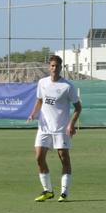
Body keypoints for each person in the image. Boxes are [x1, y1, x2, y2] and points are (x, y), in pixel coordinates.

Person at [27, 54, 82, 202]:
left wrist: (71, 124)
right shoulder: (42, 83)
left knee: (64, 158)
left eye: (57, 66)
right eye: (52, 66)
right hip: (44, 128)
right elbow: (40, 100)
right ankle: (48, 191)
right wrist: (33, 114)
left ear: (61, 68)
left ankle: (64, 193)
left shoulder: (67, 86)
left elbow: (78, 107)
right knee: (39, 157)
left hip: (60, 128)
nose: (54, 68)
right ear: (48, 67)